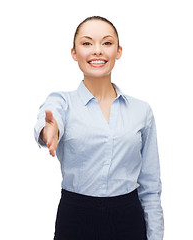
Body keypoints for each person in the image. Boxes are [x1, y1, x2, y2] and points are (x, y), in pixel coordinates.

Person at [34, 16, 164, 240]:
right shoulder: (62, 102)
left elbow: (150, 186)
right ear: (74, 53)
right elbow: (50, 118)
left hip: (128, 219)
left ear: (119, 51)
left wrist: (155, 235)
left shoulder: (141, 111)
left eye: (106, 43)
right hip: (76, 218)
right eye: (86, 43)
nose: (97, 51)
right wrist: (49, 130)